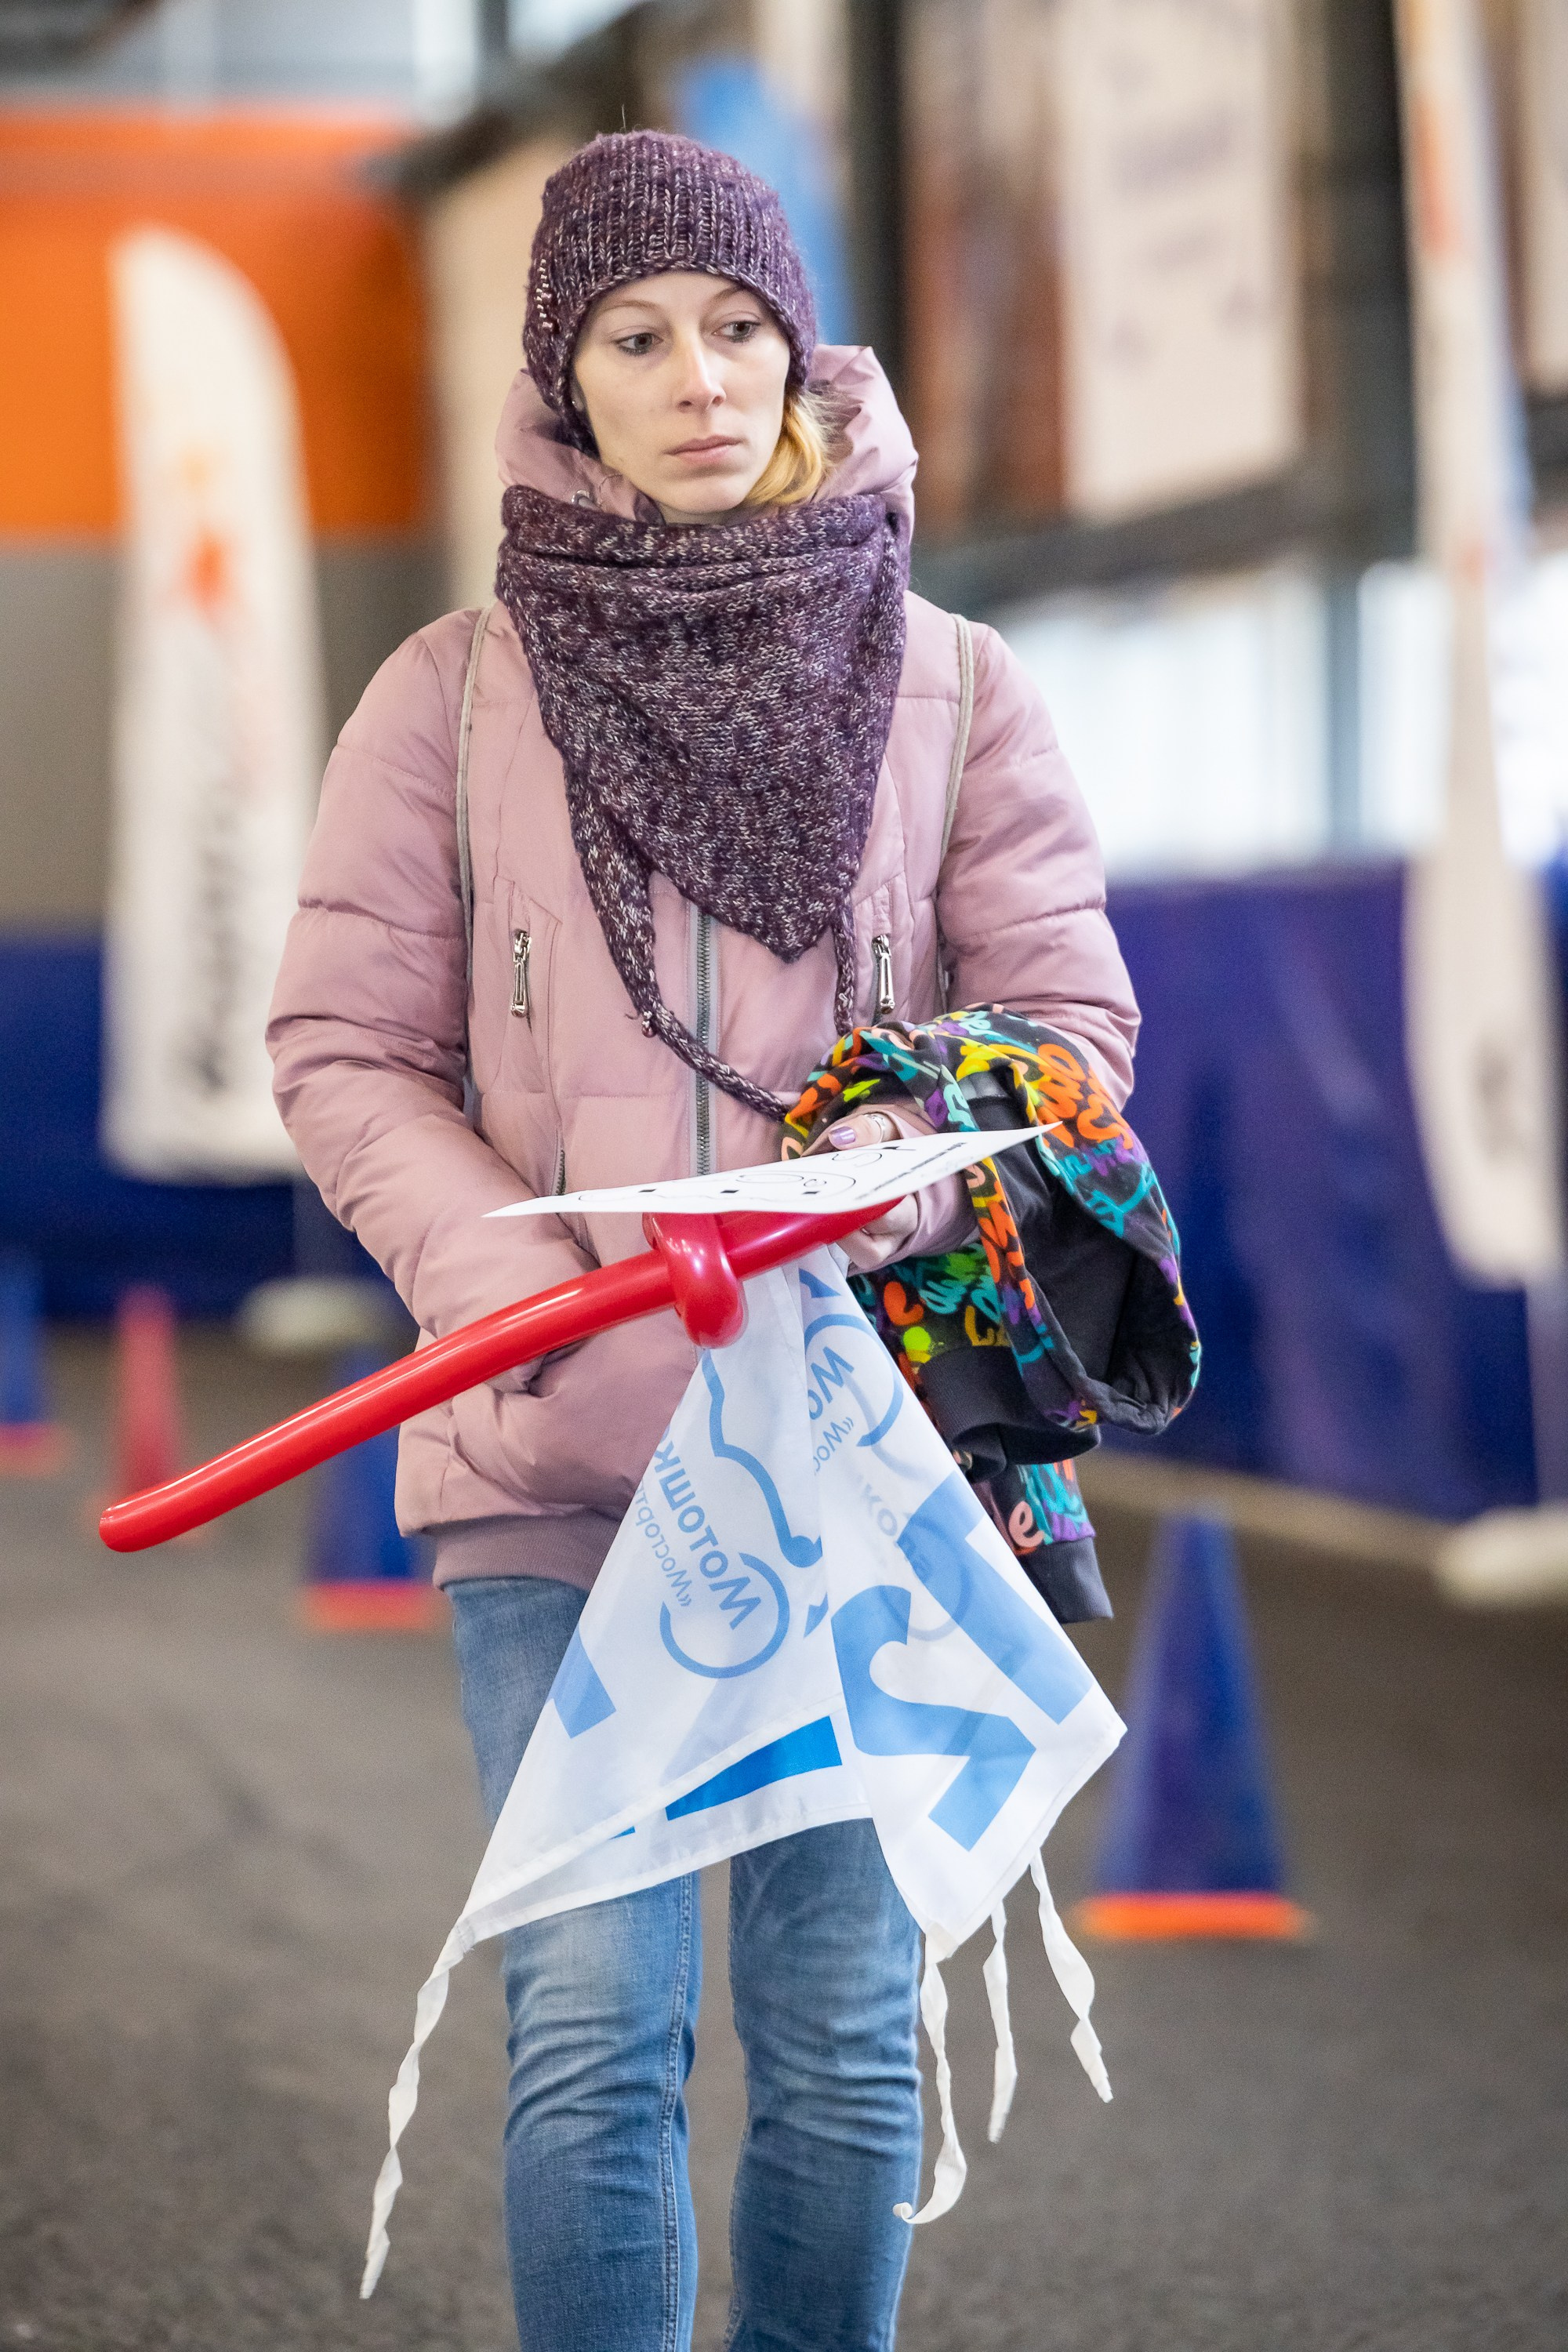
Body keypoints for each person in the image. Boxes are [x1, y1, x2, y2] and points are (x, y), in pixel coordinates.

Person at [269, 130, 1138, 2352]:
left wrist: (914, 1167)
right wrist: (510, 1290)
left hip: (866, 1464)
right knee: (590, 2029)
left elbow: (1065, 1029)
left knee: (847, 2037)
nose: (700, 377)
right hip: (555, 1460)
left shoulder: (956, 686)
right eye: (636, 337)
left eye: (738, 327)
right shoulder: (447, 696)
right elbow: (346, 1046)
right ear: (567, 383)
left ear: (802, 351)